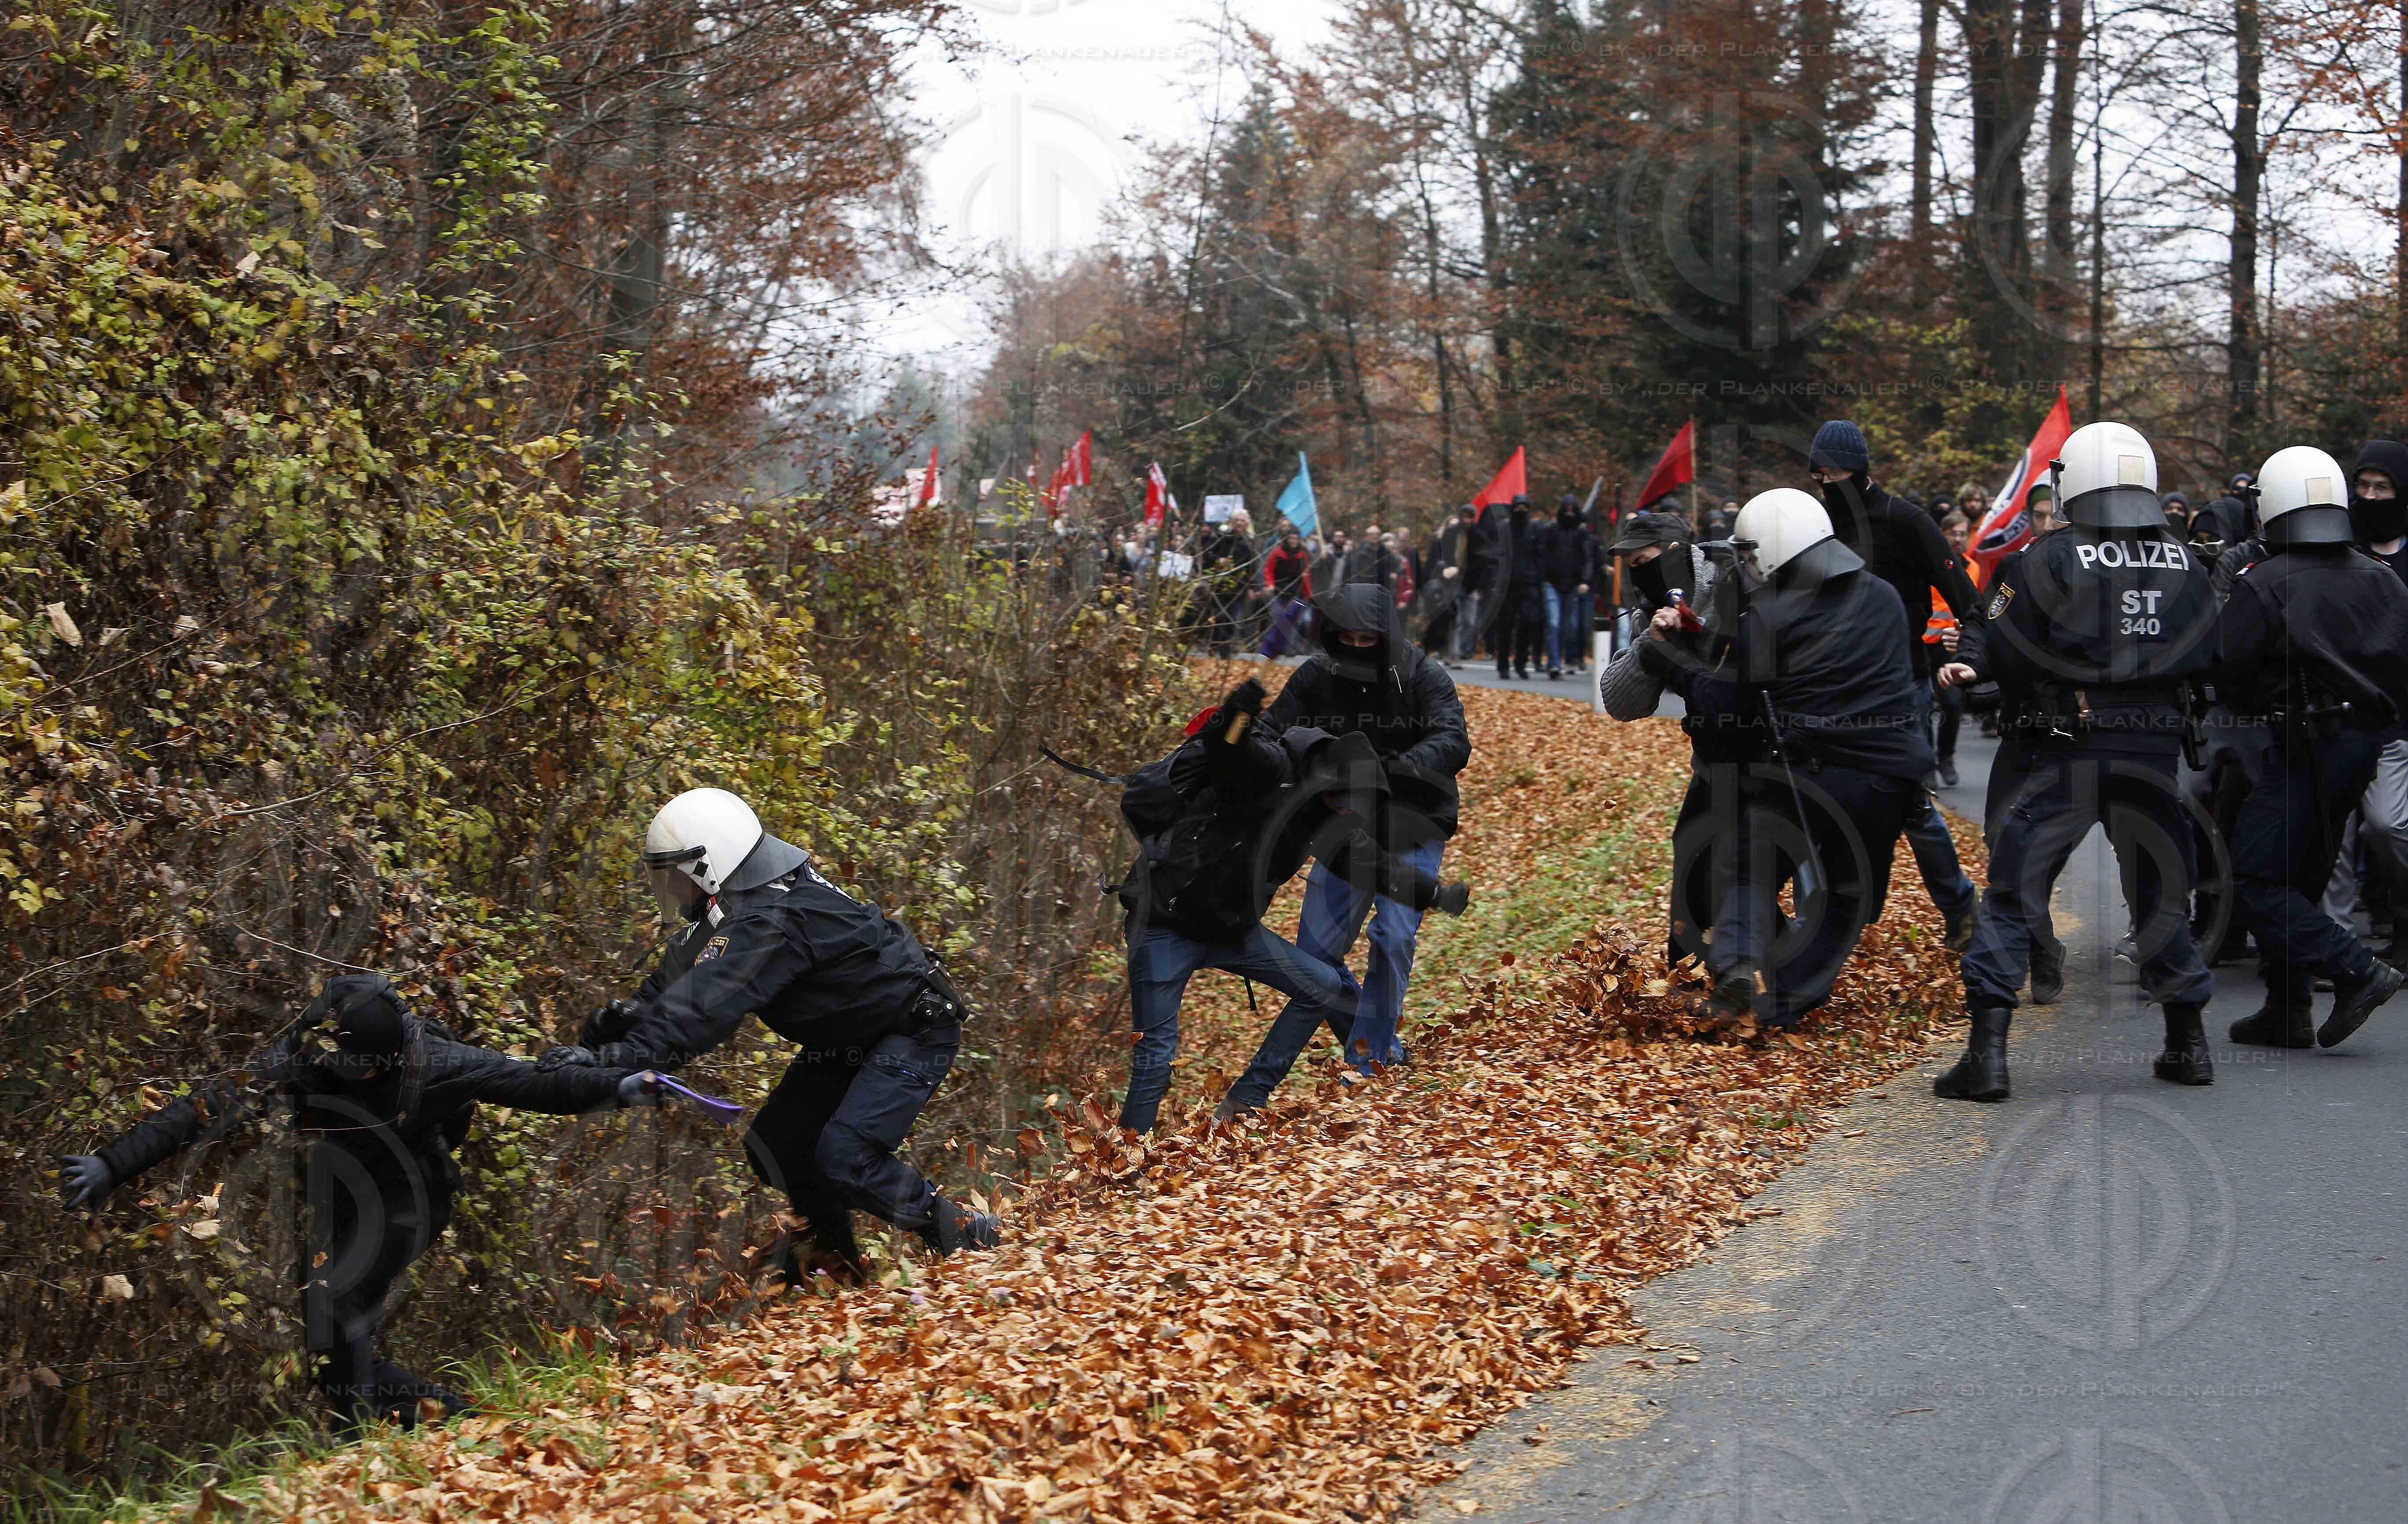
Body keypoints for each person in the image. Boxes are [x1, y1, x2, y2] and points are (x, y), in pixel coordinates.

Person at [59, 974, 668, 1432]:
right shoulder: (300, 1063)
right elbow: (203, 1109)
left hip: (415, 1193)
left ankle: (355, 1445)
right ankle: (448, 1416)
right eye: (343, 1069)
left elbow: (535, 1081)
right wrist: (113, 1164)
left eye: (365, 1069)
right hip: (344, 1191)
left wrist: (615, 1086)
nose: (352, 1079)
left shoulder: (435, 1063)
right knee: (327, 1339)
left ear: (390, 1057)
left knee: (340, 1295)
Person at [547, 788, 999, 1273]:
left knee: (845, 1155)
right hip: (852, 1034)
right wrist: (625, 1020)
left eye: (678, 875)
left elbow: (703, 1008)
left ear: (710, 865)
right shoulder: (744, 896)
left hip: (914, 1028)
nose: (674, 889)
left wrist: (617, 1062)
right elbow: (682, 973)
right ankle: (839, 1263)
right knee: (777, 1145)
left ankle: (966, 1237)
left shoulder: (772, 920)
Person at [1933, 421, 2219, 1100]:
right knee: (2158, 896)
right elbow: (2216, 658)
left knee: (2012, 895)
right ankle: (2189, 1045)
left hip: (2063, 746)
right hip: (2155, 749)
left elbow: (2002, 655)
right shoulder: (2190, 562)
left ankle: (1989, 1057)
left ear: (2077, 480)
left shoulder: (2044, 560)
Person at [1110, 678, 1470, 1128]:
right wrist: (1237, 712)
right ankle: (1121, 1166)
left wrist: (1435, 893)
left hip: (1229, 929)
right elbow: (1230, 752)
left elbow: (1378, 866)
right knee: (1157, 1055)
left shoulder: (1322, 819)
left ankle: (1245, 1100)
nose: (1352, 815)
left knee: (1320, 983)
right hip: (1165, 922)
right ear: (1331, 783)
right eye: (1350, 804)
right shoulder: (1270, 767)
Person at [1643, 489, 1932, 1030]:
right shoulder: (1885, 597)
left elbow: (1720, 708)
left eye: (1751, 554)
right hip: (1890, 776)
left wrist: (1677, 658)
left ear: (1775, 548)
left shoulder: (1770, 616)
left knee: (1750, 867)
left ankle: (1738, 967)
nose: (1748, 566)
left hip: (1809, 773)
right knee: (1849, 897)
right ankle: (1781, 1005)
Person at [2214, 446, 2408, 1049]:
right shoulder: (2382, 578)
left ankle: (2357, 969)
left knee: (2253, 876)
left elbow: (2225, 666)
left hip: (2300, 746)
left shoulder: (2267, 581)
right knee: (2296, 875)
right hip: (2363, 749)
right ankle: (2286, 1007)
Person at [1246, 584, 1472, 1079]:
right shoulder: (1315, 676)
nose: (1355, 645)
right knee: (1313, 961)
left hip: (1414, 823)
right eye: (1345, 636)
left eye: (1366, 638)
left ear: (1385, 635)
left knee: (1393, 936)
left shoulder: (1421, 674)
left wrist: (1392, 771)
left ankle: (1367, 1057)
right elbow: (1270, 731)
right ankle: (1373, 1033)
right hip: (1341, 832)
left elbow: (1454, 739)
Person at [1807, 420, 1982, 952]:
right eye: (1817, 472)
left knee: (1910, 803)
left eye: (1834, 471)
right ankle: (1823, 922)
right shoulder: (1814, 523)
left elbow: (1966, 596)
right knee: (1816, 798)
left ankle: (1961, 908)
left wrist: (1969, 653)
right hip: (1826, 686)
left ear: (1858, 470)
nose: (1824, 481)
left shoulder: (1906, 520)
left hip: (1899, 685)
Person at [1596, 511, 1736, 969]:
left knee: (1745, 871)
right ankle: (1689, 976)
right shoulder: (1649, 614)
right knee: (1692, 859)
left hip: (1777, 751)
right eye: (1630, 564)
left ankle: (1776, 969)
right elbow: (1620, 701)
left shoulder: (1729, 583)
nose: (1638, 573)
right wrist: (1652, 648)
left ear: (1676, 554)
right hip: (1714, 758)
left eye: (1645, 560)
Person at [1928, 511, 1971, 786]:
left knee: (1953, 704)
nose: (1957, 539)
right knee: (1921, 705)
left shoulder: (1974, 568)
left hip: (1952, 646)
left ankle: (1946, 756)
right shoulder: (1928, 564)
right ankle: (1926, 765)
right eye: (1952, 533)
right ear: (1942, 536)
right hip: (1923, 645)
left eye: (1962, 534)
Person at [1540, 494, 1597, 680]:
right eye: (1567, 510)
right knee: (1554, 624)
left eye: (1573, 510)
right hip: (1552, 582)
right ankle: (1555, 664)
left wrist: (1585, 581)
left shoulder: (1582, 533)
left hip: (1572, 584)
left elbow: (1587, 558)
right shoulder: (1551, 530)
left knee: (1569, 627)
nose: (1570, 513)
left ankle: (1562, 659)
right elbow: (1543, 554)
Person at [1420, 504, 1482, 663]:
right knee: (1455, 619)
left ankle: (1455, 650)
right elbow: (1434, 564)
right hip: (1449, 584)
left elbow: (1484, 562)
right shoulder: (1445, 540)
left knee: (1470, 621)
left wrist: (1481, 583)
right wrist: (1446, 570)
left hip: (1471, 584)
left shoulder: (1477, 536)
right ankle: (1452, 653)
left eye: (1469, 516)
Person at [1490, 497, 1542, 679]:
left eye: (1524, 507)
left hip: (1528, 585)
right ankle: (1503, 665)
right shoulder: (1504, 529)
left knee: (1528, 623)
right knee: (1505, 628)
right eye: (1518, 507)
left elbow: (1539, 555)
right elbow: (1496, 557)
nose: (1521, 510)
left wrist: (1537, 576)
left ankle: (1521, 663)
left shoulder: (1533, 530)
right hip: (1507, 586)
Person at [1259, 526, 1315, 658]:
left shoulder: (1303, 555)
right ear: (1287, 539)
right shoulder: (1277, 553)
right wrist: (1270, 585)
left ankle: (1290, 648)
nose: (1294, 541)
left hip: (1295, 593)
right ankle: (1273, 647)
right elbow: (1269, 570)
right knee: (1279, 619)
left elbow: (1307, 576)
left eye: (1296, 539)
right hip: (1279, 591)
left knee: (1294, 621)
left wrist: (1308, 594)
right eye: (1292, 539)